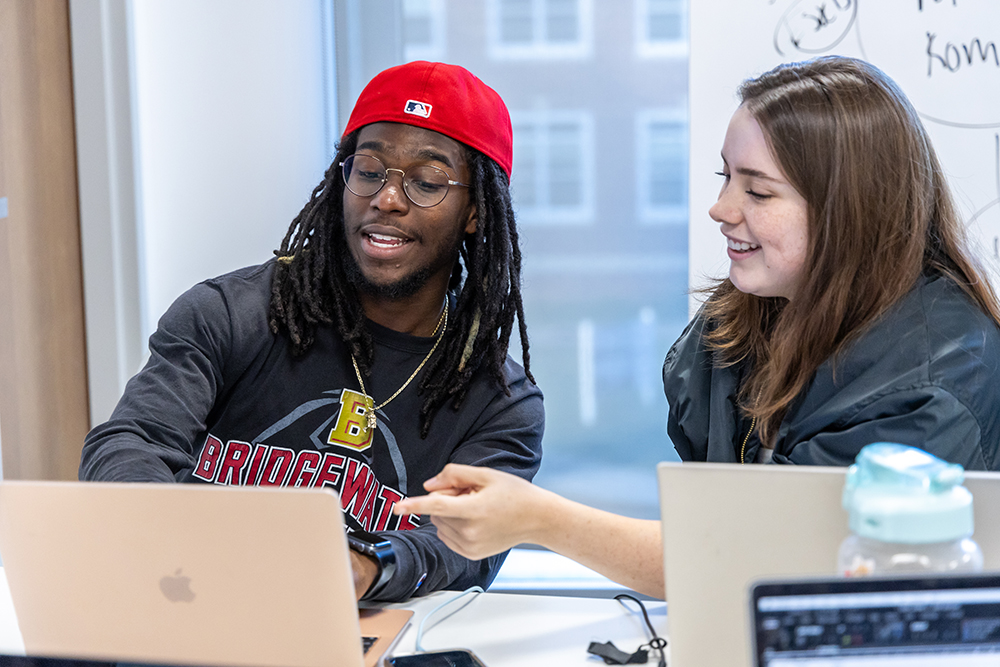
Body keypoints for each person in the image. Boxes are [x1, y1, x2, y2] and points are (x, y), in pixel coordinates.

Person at [394, 56, 1000, 599]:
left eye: (758, 191)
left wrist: (539, 520)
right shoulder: (743, 322)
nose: (722, 209)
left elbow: (772, 562)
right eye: (725, 178)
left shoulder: (933, 383)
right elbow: (719, 534)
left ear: (851, 212)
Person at [80, 61, 544, 603]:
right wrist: (172, 537)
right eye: (369, 170)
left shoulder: (499, 402)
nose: (387, 198)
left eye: (427, 181)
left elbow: (464, 544)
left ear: (474, 212)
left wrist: (368, 566)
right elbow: (131, 441)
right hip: (181, 603)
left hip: (354, 633)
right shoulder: (230, 314)